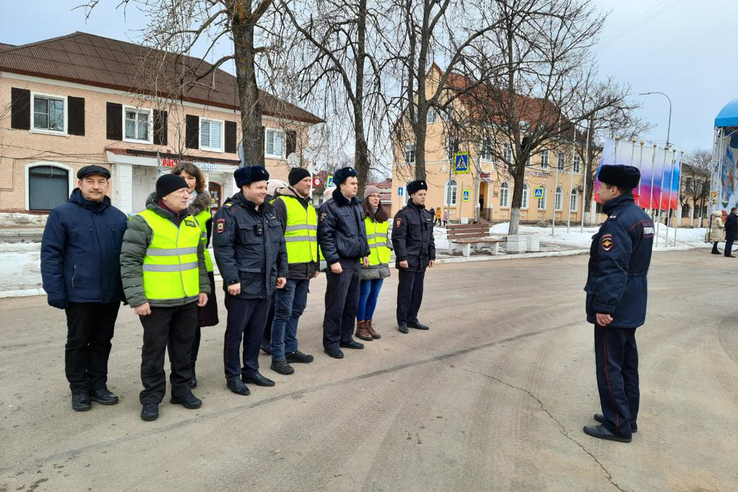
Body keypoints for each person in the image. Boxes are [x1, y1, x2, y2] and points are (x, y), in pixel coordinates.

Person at [120, 174, 210, 421]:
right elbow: (129, 262)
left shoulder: (191, 222)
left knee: (183, 350)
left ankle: (181, 391)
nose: (186, 195)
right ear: (164, 196)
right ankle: (151, 397)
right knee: (154, 353)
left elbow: (199, 259)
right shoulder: (142, 222)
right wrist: (137, 299)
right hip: (156, 303)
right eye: (181, 191)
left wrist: (203, 289)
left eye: (187, 191)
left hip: (187, 300)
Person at [40, 165, 128, 412]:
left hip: (109, 293)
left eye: (101, 181)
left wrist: (126, 290)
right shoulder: (62, 214)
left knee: (102, 340)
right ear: (79, 184)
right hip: (79, 293)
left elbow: (126, 257)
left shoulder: (118, 217)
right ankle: (79, 389)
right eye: (90, 181)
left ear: (107, 186)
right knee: (78, 341)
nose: (96, 186)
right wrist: (55, 290)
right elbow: (51, 254)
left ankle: (99, 385)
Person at [582, 165, 654, 444]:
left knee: (609, 366)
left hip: (617, 304)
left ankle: (616, 426)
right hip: (633, 302)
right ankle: (627, 417)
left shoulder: (617, 221)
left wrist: (605, 306)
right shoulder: (640, 217)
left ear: (614, 190)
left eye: (601, 188)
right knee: (626, 365)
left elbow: (613, 268)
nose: (598, 192)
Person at [213, 166, 288, 396]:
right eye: (259, 187)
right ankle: (233, 376)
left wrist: (281, 272)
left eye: (265, 187)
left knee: (256, 332)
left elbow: (280, 244)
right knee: (235, 333)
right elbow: (223, 249)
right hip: (242, 285)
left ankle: (251, 370)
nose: (264, 191)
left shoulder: (270, 211)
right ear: (245, 187)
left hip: (266, 283)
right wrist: (232, 279)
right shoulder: (230, 212)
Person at [171, 163, 219, 388]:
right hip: (172, 270)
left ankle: (190, 368)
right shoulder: (166, 206)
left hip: (200, 271)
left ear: (197, 181)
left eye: (190, 178)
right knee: (173, 325)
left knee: (194, 325)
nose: (186, 181)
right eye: (181, 177)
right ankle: (177, 368)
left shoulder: (205, 210)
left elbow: (205, 242)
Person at [267, 168, 319, 375]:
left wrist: (315, 264)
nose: (309, 184)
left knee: (296, 311)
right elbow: (276, 240)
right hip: (287, 271)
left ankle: (290, 349)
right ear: (295, 182)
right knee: (282, 313)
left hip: (305, 269)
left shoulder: (309, 206)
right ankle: (277, 356)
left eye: (311, 180)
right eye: (306, 180)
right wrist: (280, 270)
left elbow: (313, 238)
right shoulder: (280, 204)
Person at [317, 166, 370, 359]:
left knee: (351, 304)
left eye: (357, 183)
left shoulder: (356, 205)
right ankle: (331, 342)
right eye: (352, 183)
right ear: (341, 185)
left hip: (355, 261)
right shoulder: (330, 207)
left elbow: (361, 232)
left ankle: (346, 337)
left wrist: (365, 251)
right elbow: (325, 236)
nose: (356, 186)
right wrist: (333, 260)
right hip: (339, 263)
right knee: (336, 305)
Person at [392, 180, 436, 334]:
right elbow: (398, 238)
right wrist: (402, 258)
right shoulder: (403, 215)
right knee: (405, 292)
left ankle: (412, 318)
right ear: (412, 195)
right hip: (408, 261)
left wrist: (432, 255)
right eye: (420, 194)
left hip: (421, 260)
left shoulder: (426, 215)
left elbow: (430, 237)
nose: (423, 197)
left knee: (417, 292)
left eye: (425, 194)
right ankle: (402, 320)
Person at [356, 185, 391, 341]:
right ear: (366, 198)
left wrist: (388, 250)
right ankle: (361, 326)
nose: (376, 198)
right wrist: (362, 254)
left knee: (374, 296)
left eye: (378, 196)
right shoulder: (361, 216)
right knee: (364, 294)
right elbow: (358, 238)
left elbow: (385, 238)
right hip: (367, 261)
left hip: (381, 261)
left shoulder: (383, 218)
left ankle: (369, 323)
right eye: (372, 196)